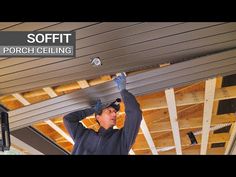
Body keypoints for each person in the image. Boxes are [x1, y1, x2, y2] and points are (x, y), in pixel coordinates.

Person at [63, 73, 142, 155]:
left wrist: (124, 91)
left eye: (114, 112)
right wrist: (92, 110)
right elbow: (68, 120)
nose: (114, 114)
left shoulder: (122, 139)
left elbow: (135, 114)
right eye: (110, 111)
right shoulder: (83, 136)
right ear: (98, 117)